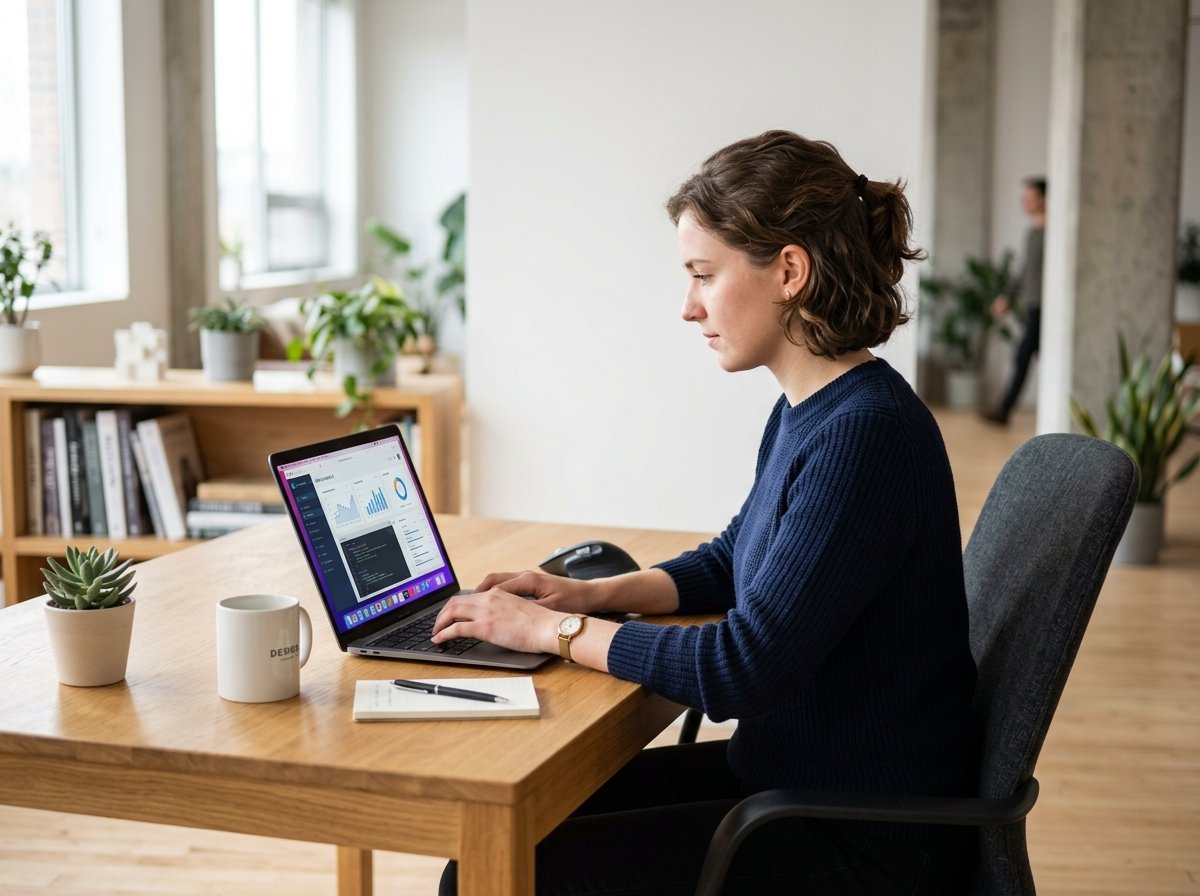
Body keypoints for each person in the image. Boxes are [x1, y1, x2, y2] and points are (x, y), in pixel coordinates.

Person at [432, 130, 981, 895]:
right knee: (491, 849)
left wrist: (547, 632)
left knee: (490, 876)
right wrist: (591, 596)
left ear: (789, 269)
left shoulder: (867, 436)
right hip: (788, 783)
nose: (688, 307)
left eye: (703, 274)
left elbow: (739, 669)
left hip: (857, 835)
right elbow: (734, 559)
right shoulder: (814, 409)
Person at [980, 177, 1047, 425]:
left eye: (1030, 198)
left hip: (1043, 306)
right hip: (1031, 304)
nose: (1025, 203)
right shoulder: (1033, 232)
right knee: (1034, 356)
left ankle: (1005, 409)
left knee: (1023, 355)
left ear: (1044, 199)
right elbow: (1024, 270)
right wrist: (1006, 297)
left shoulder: (1051, 234)